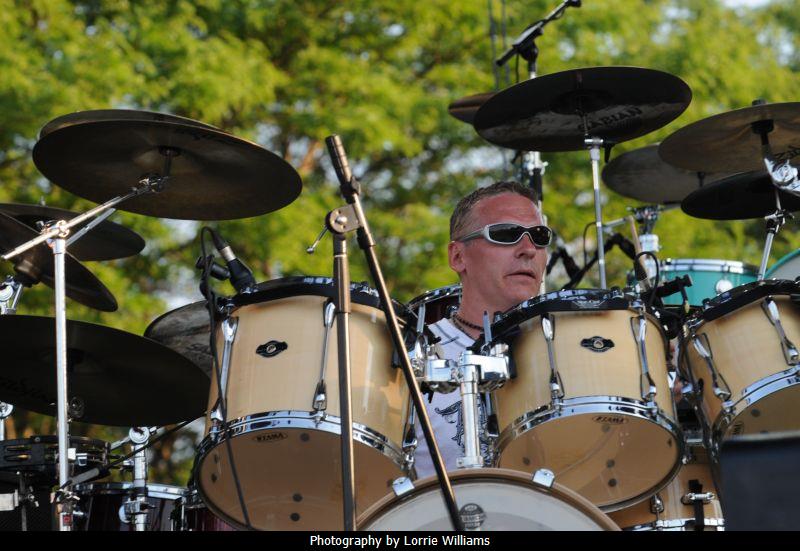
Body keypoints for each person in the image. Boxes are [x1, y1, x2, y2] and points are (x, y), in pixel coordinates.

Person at [413, 180, 551, 478]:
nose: (529, 249)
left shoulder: (566, 352)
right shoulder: (411, 357)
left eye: (539, 237)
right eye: (506, 234)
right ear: (458, 257)